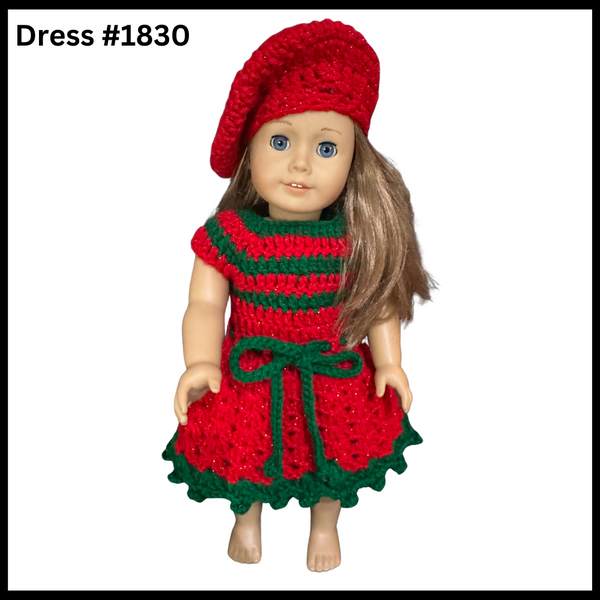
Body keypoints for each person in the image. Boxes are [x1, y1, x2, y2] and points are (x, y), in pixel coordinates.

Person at [162, 18, 436, 572]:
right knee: (247, 456)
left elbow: (379, 303)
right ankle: (246, 520)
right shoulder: (231, 237)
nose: (301, 163)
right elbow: (205, 305)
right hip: (254, 374)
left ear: (354, 161)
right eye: (281, 141)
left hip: (332, 374)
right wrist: (200, 361)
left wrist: (390, 363)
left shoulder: (354, 240)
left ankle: (325, 527)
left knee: (334, 458)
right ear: (251, 148)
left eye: (327, 147)